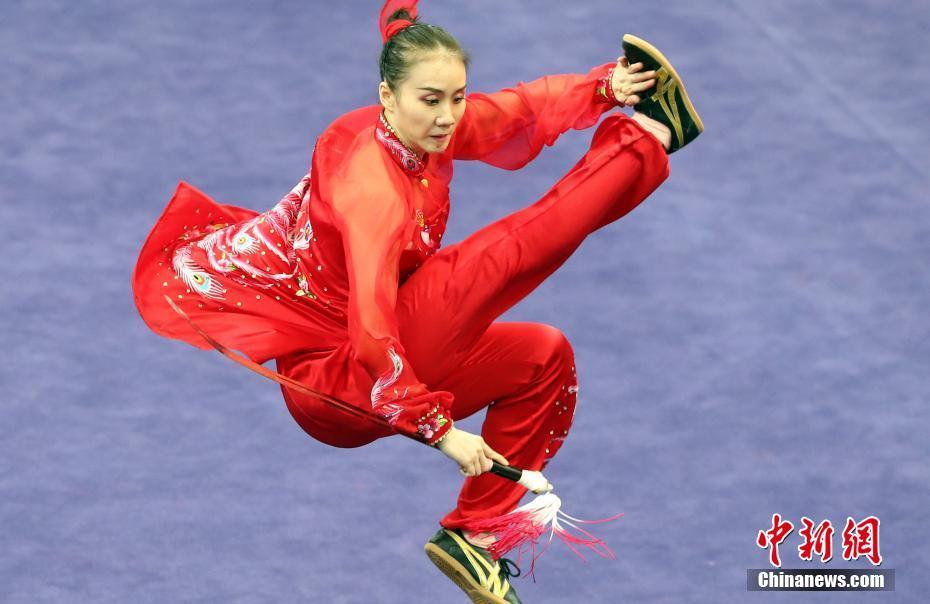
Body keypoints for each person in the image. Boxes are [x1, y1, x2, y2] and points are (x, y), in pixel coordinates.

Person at [132, 1, 703, 601]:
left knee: (544, 358)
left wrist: (605, 86)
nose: (448, 116)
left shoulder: (424, 122)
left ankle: (475, 535)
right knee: (506, 253)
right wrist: (442, 432)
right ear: (388, 95)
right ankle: (650, 137)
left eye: (457, 97)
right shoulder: (371, 188)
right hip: (343, 379)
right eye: (431, 100)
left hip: (375, 362)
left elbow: (511, 111)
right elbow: (373, 327)